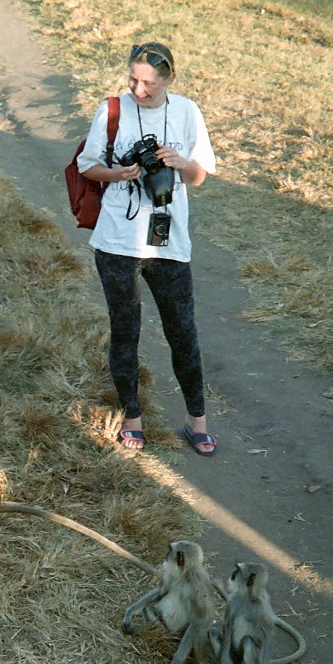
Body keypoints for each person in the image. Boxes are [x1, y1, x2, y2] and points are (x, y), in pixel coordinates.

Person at [77, 42, 217, 455]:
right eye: (133, 80)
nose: (139, 90)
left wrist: (179, 162)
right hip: (118, 242)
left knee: (183, 332)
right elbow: (88, 165)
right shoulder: (113, 110)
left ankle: (198, 420)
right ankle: (132, 417)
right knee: (126, 331)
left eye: (149, 84)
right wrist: (120, 172)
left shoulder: (188, 112)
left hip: (170, 242)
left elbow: (199, 177)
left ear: (169, 79)